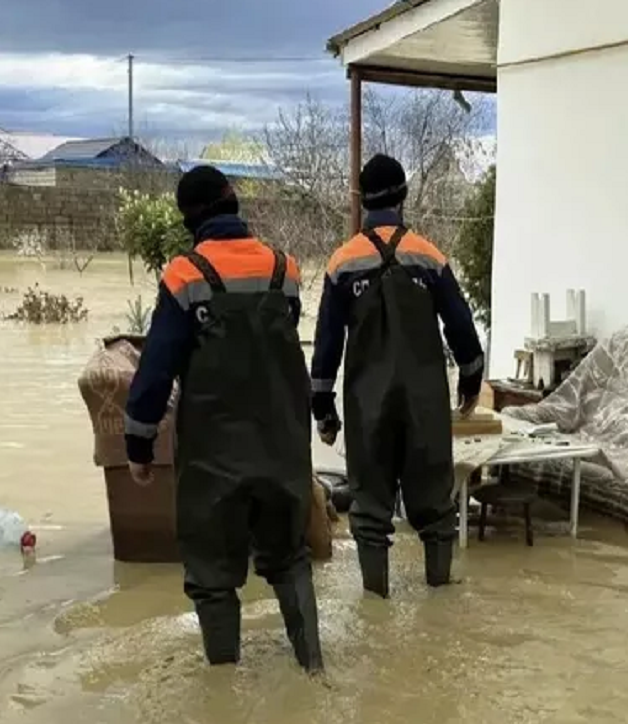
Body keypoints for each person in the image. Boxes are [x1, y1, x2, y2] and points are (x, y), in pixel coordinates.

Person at [124, 166, 324, 673]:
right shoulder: (287, 270)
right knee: (289, 557)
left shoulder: (184, 276)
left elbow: (155, 372)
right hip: (282, 448)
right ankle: (313, 667)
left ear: (189, 219)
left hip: (215, 457)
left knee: (213, 574)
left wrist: (139, 446)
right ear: (234, 202)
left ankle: (224, 692)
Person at [311, 154, 484, 598]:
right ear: (403, 196)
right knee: (435, 507)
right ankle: (440, 599)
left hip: (368, 407)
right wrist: (470, 377)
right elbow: (461, 327)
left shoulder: (342, 263)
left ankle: (375, 604)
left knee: (369, 511)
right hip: (424, 404)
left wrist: (323, 409)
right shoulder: (428, 256)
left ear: (363, 200)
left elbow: (327, 343)